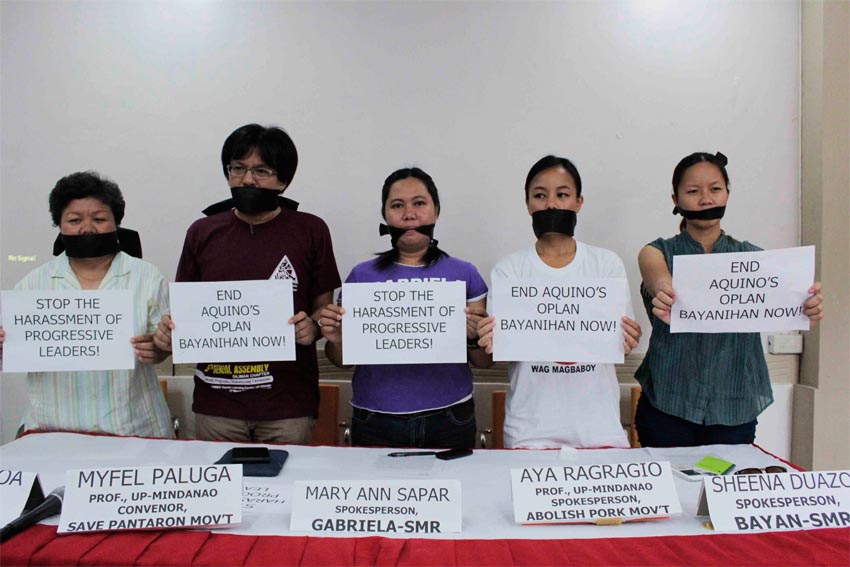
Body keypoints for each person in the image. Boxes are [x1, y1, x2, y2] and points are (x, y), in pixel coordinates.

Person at [154, 124, 341, 444]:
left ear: (283, 180)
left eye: (261, 170)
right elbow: (186, 307)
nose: (248, 179)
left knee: (284, 490)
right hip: (218, 402)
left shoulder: (311, 230)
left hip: (287, 402)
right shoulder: (202, 232)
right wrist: (170, 330)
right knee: (219, 490)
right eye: (238, 168)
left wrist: (314, 327)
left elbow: (324, 307)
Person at [634, 151, 824, 447]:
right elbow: (655, 275)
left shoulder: (755, 258)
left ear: (727, 194)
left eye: (715, 189)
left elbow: (787, 297)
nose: (705, 199)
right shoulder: (657, 251)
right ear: (676, 200)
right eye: (693, 191)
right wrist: (664, 290)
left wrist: (805, 303)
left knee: (724, 490)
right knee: (671, 491)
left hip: (735, 405)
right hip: (667, 401)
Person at [477, 155, 642, 449]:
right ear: (528, 204)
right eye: (540, 195)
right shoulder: (509, 269)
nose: (551, 204)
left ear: (579, 202)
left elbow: (620, 342)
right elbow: (492, 354)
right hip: (529, 432)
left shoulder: (606, 264)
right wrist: (488, 339)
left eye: (562, 194)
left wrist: (627, 339)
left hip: (600, 430)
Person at [318, 167, 490, 448]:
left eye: (419, 203)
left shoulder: (465, 274)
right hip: (375, 418)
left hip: (449, 417)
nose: (409, 214)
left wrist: (472, 337)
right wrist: (337, 339)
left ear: (436, 211)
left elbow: (485, 362)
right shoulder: (362, 276)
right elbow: (342, 360)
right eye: (397, 205)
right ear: (385, 215)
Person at [0, 171, 173, 438]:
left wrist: (159, 347)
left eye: (100, 219)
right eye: (74, 220)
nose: (87, 228)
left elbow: (164, 345)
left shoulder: (147, 277)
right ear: (59, 224)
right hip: (53, 429)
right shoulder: (33, 285)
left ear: (117, 222)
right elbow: (12, 352)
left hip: (134, 427)